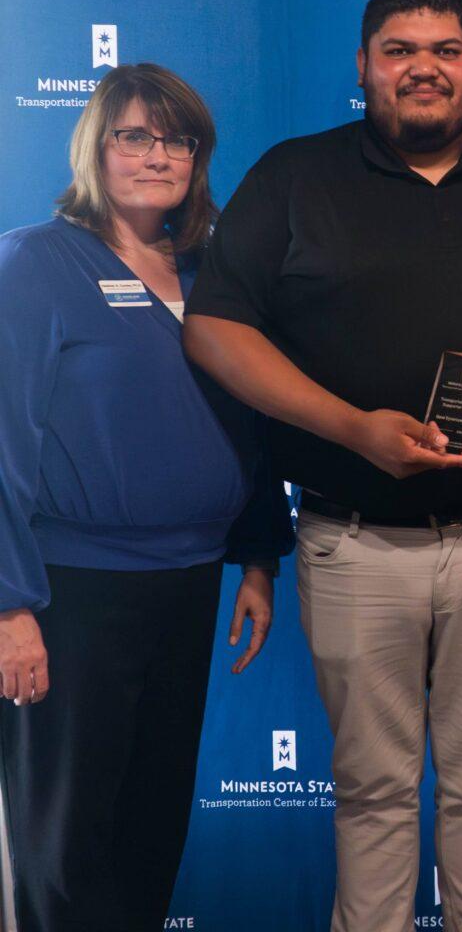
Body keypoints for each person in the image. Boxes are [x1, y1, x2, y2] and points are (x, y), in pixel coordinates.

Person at [183, 0, 462, 932]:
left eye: (445, 51)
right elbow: (213, 329)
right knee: (372, 789)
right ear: (365, 66)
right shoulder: (296, 175)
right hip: (353, 541)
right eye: (400, 51)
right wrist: (348, 428)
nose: (424, 69)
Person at [0, 63, 291, 932]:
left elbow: (249, 420)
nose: (157, 155)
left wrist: (256, 556)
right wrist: (11, 606)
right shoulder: (33, 263)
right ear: (98, 146)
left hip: (189, 581)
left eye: (178, 140)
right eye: (135, 135)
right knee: (68, 841)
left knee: (151, 826)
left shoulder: (213, 270)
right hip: (69, 591)